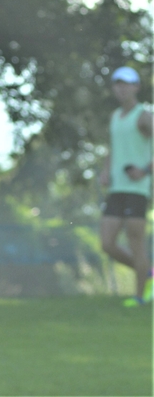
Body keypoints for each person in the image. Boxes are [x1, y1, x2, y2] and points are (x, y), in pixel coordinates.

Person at [98, 66, 153, 307]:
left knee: (135, 242)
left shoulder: (143, 116)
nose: (121, 88)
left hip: (137, 189)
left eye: (127, 83)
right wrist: (105, 170)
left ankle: (140, 297)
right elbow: (114, 148)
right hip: (116, 189)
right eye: (117, 83)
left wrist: (145, 170)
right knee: (107, 244)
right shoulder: (114, 116)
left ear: (136, 87)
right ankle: (149, 274)